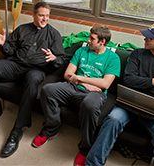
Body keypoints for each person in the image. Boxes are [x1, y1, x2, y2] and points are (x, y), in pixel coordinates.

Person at [86, 22, 154, 166]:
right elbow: (128, 80)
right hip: (128, 101)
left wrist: (141, 82)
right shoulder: (137, 54)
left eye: (149, 38)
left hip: (152, 107)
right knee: (113, 120)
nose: (144, 39)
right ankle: (93, 163)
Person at [0, 1, 65, 157]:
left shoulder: (54, 34)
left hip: (36, 70)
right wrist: (3, 43)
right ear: (33, 14)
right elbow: (10, 50)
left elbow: (60, 60)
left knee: (33, 79)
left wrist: (54, 58)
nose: (45, 19)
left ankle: (17, 129)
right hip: (16, 64)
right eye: (41, 15)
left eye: (47, 16)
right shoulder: (22, 29)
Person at [31, 25, 121, 166]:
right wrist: (84, 82)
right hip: (73, 87)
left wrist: (80, 78)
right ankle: (51, 128)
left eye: (92, 39)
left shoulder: (113, 58)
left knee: (90, 105)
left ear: (102, 42)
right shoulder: (81, 50)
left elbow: (105, 84)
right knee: (48, 90)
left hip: (95, 94)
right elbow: (68, 74)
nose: (88, 41)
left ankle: (85, 148)